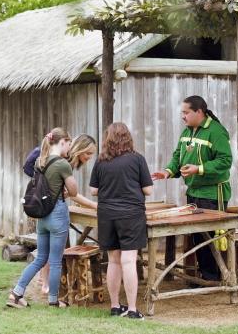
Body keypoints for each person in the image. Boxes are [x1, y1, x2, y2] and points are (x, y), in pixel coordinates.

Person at [151, 95, 232, 283]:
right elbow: (178, 155)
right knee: (198, 237)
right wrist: (168, 172)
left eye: (186, 112)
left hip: (213, 194)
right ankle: (204, 276)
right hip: (193, 192)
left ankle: (213, 278)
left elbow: (225, 161)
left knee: (211, 239)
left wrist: (200, 169)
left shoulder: (216, 131)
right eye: (182, 112)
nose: (183, 116)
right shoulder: (187, 132)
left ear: (199, 112)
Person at [89, 122, 152, 320]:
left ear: (108, 139)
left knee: (114, 261)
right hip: (131, 214)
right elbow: (148, 190)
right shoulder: (137, 159)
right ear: (128, 138)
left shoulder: (101, 161)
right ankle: (132, 309)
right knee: (129, 260)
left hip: (107, 214)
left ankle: (115, 306)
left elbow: (94, 191)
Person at [8, 128, 75, 308]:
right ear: (62, 142)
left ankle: (16, 293)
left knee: (40, 259)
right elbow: (74, 191)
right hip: (57, 214)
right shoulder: (62, 164)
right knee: (55, 261)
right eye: (69, 144)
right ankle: (53, 300)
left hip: (42, 216)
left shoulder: (39, 161)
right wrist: (66, 192)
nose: (70, 148)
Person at [34, 134, 99, 296]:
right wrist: (94, 205)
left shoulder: (66, 160)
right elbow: (73, 193)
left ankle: (44, 280)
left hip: (45, 206)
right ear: (80, 149)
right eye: (88, 154)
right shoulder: (65, 162)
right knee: (53, 249)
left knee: (49, 247)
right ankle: (46, 284)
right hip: (52, 209)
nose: (89, 158)